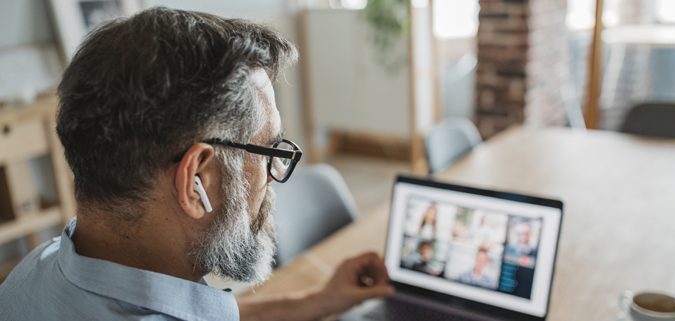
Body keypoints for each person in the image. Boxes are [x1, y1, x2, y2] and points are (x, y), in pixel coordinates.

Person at [0, 7, 393, 321]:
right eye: (269, 152)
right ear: (197, 181)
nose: (274, 179)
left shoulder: (34, 271)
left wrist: (318, 301)